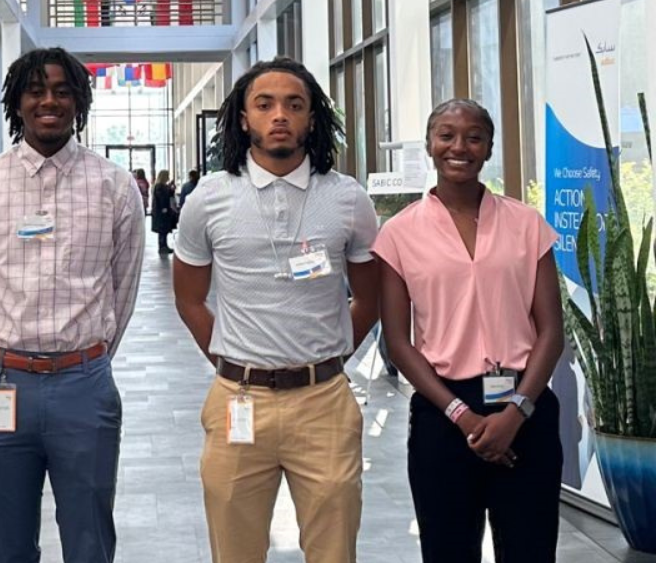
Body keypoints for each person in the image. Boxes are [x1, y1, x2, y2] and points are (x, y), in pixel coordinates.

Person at [173, 57, 380, 563]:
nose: (280, 115)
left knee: (334, 551)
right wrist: (234, 360)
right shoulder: (209, 197)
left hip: (324, 403)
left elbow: (370, 299)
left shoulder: (348, 199)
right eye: (264, 104)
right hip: (237, 402)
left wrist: (325, 359)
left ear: (312, 118)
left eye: (294, 104)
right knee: (235, 551)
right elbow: (188, 297)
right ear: (243, 119)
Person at [0, 47, 145, 563]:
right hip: (1, 383)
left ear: (79, 102)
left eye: (62, 91)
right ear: (16, 102)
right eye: (36, 91)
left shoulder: (115, 188)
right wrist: (2, 359)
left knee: (89, 539)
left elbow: (122, 289)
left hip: (84, 385)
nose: (49, 102)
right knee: (5, 540)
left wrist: (85, 359)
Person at [372, 98, 564, 563]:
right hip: (444, 414)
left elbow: (552, 331)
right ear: (430, 144)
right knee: (448, 551)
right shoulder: (399, 233)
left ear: (489, 147)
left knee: (530, 550)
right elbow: (398, 342)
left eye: (474, 136)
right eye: (447, 135)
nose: (460, 146)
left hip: (526, 406)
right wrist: (462, 415)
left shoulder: (526, 224)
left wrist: (516, 413)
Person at [151, 169, 177, 254]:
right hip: (162, 212)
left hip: (162, 212)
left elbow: (168, 193)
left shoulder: (160, 186)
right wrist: (164, 208)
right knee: (162, 230)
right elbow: (162, 197)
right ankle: (162, 247)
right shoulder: (159, 186)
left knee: (163, 230)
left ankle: (164, 246)